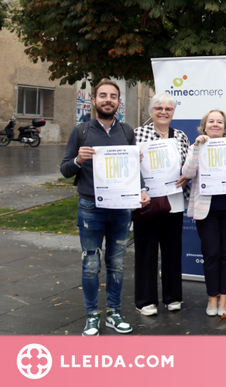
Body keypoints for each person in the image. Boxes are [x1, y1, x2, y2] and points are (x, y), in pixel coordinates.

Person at [60, 79, 151, 336]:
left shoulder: (127, 131)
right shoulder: (80, 131)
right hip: (91, 206)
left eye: (113, 96)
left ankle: (114, 312)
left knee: (117, 263)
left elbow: (135, 170)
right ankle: (91, 316)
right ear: (94, 100)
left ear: (118, 102)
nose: (108, 100)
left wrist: (141, 188)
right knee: (91, 263)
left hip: (121, 207)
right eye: (103, 95)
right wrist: (78, 159)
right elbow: (65, 169)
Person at [182, 109, 226, 317]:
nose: (215, 124)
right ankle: (211, 298)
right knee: (211, 255)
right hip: (206, 211)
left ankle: (224, 298)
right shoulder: (197, 147)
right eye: (211, 121)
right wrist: (197, 148)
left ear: (225, 127)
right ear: (204, 125)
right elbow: (187, 174)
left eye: (220, 121)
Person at [133, 93, 190, 316]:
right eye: (159, 108)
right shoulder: (138, 134)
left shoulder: (181, 136)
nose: (163, 112)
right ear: (151, 111)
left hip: (174, 202)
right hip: (147, 202)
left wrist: (187, 175)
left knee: (173, 251)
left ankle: (173, 297)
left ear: (173, 113)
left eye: (168, 109)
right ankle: (145, 300)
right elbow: (129, 167)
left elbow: (188, 164)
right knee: (146, 252)